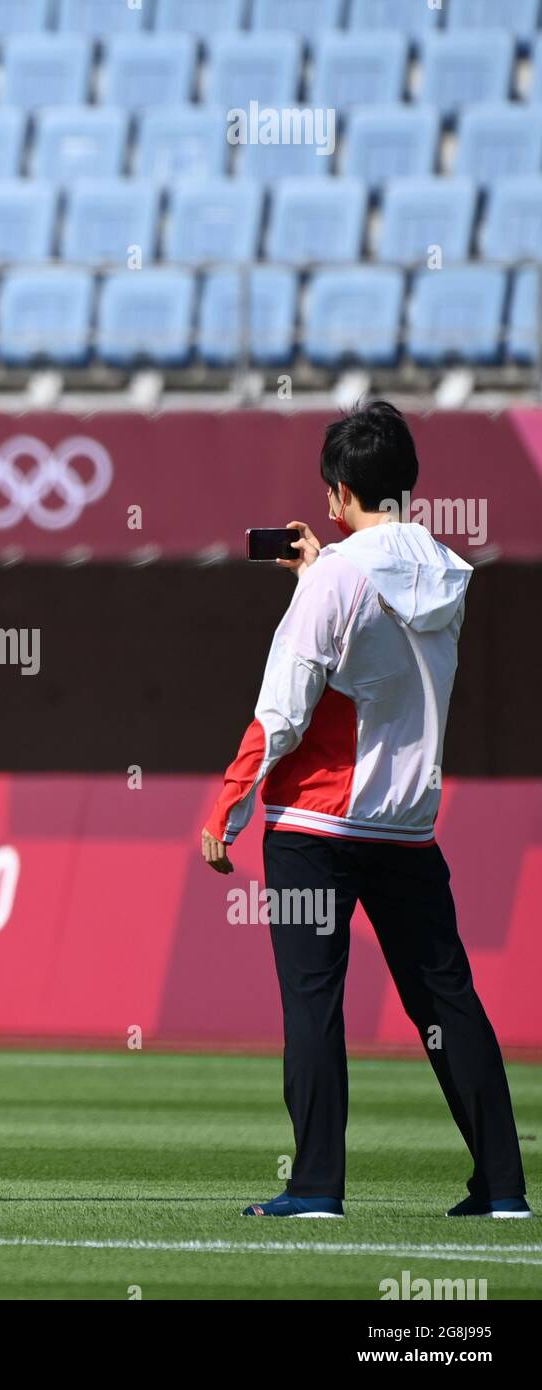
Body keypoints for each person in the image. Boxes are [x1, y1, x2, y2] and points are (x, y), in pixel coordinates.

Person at [201, 401, 530, 1220]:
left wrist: (226, 808)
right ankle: (503, 1188)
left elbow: (283, 709)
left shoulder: (337, 578)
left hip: (316, 828)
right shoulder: (449, 574)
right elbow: (381, 650)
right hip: (408, 829)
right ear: (407, 484)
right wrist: (323, 573)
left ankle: (315, 1185)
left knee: (314, 1002)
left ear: (338, 491)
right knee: (449, 1004)